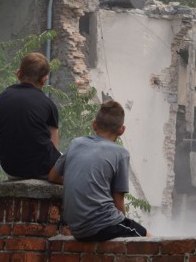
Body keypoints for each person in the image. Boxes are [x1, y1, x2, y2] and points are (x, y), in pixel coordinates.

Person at [48, 100, 150, 241]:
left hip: (77, 228)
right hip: (102, 225)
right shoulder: (120, 153)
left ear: (94, 124)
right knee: (151, 240)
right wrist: (122, 228)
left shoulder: (76, 143)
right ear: (122, 130)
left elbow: (53, 176)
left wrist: (76, 178)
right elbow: (118, 200)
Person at [0, 52, 61, 179]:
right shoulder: (48, 104)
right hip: (40, 170)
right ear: (44, 79)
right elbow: (54, 147)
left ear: (19, 73)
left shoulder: (3, 97)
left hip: (10, 169)